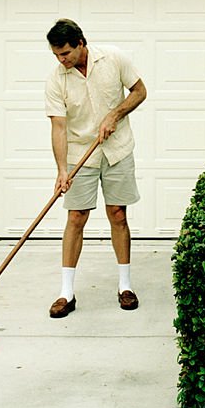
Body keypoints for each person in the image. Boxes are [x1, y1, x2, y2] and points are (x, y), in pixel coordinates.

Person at [44, 18, 147, 317]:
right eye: (56, 55)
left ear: (80, 43)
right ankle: (66, 293)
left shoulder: (113, 58)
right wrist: (62, 170)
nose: (61, 60)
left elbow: (140, 91)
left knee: (118, 213)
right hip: (80, 153)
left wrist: (115, 114)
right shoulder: (57, 79)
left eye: (65, 53)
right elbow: (59, 127)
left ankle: (125, 286)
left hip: (117, 149)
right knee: (76, 217)